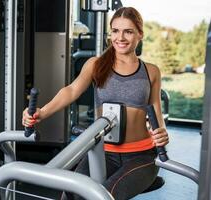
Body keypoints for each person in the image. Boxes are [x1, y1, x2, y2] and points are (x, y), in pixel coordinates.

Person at [22, 7, 169, 200]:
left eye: (128, 31)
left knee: (104, 196)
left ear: (140, 34)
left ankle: (142, 179)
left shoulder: (151, 71)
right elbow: (71, 90)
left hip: (141, 156)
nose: (121, 37)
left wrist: (162, 134)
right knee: (70, 196)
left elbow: (156, 114)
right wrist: (42, 112)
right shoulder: (96, 64)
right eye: (115, 31)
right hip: (102, 153)